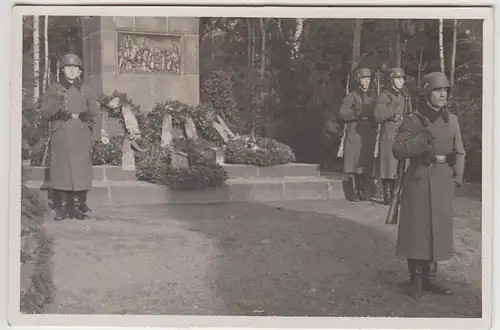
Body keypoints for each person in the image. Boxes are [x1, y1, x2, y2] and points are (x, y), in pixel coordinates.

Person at [392, 72, 465, 298]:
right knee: (418, 228)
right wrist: (422, 138)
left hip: (443, 179)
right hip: (419, 178)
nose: (443, 94)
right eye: (437, 90)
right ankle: (416, 279)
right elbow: (398, 150)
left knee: (438, 229)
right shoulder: (413, 120)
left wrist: (457, 176)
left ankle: (431, 278)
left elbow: (460, 150)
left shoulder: (451, 119)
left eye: (445, 90)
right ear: (426, 93)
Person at [40, 53, 102, 220]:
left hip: (82, 132)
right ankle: (61, 208)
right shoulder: (54, 88)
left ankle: (76, 207)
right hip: (61, 132)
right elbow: (46, 113)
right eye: (68, 67)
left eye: (76, 68)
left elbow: (96, 114)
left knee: (81, 171)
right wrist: (57, 97)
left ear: (80, 71)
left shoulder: (87, 89)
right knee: (61, 171)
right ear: (62, 70)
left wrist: (95, 136)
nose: (72, 71)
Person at [373, 68, 412, 205]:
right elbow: (378, 116)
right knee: (388, 164)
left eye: (402, 78)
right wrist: (393, 105)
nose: (401, 81)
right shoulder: (384, 95)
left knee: (400, 164)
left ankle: (397, 193)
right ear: (391, 80)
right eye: (397, 78)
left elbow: (409, 113)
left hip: (401, 131)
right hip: (388, 130)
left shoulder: (405, 95)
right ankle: (387, 194)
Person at [338, 67, 377, 201]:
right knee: (353, 161)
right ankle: (352, 191)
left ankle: (362, 190)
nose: (366, 81)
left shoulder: (373, 96)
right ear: (358, 80)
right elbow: (342, 113)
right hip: (354, 131)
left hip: (367, 132)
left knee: (364, 162)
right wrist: (355, 113)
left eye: (368, 79)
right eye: (364, 79)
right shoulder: (351, 96)